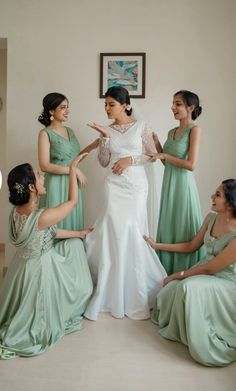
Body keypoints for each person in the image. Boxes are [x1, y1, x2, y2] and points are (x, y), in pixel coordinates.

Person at [84, 86, 166, 321]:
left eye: (111, 104)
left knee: (132, 230)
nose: (107, 108)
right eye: (105, 104)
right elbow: (102, 162)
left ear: (126, 105)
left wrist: (130, 159)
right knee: (111, 230)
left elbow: (154, 156)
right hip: (113, 185)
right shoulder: (106, 130)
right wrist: (105, 139)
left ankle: (135, 291)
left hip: (135, 186)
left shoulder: (141, 126)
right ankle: (109, 291)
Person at [0, 153, 93, 359]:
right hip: (39, 271)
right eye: (38, 175)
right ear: (31, 187)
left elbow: (46, 232)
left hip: (20, 270)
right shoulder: (41, 216)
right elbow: (73, 201)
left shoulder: (16, 212)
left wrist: (79, 233)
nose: (42, 177)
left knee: (74, 244)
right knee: (79, 274)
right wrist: (73, 167)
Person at [144, 179, 236, 367]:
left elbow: (212, 268)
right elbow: (190, 246)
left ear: (231, 202)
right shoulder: (211, 218)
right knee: (169, 292)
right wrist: (156, 245)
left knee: (187, 286)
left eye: (218, 194)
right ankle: (184, 332)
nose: (212, 196)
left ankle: (205, 343)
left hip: (225, 281)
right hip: (205, 271)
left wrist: (179, 274)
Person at [150, 90, 205, 275]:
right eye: (173, 103)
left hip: (183, 187)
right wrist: (158, 144)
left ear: (191, 108)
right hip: (169, 186)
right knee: (169, 227)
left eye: (178, 104)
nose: (173, 107)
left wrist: (164, 154)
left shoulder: (194, 129)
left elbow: (191, 165)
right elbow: (167, 163)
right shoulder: (171, 131)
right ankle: (166, 275)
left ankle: (185, 274)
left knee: (183, 228)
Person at [38, 92, 99, 230]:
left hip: (72, 182)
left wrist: (93, 145)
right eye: (63, 107)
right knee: (56, 223)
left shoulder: (70, 131)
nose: (67, 111)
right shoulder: (45, 133)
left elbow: (75, 158)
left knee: (72, 219)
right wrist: (74, 170)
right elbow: (44, 165)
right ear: (52, 110)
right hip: (56, 183)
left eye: (68, 107)